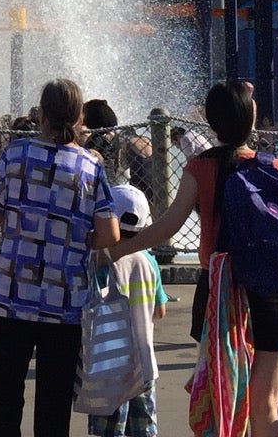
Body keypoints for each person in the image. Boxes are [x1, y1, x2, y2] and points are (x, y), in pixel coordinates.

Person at [112, 80, 278, 437]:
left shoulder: (200, 168)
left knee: (223, 390)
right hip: (272, 295)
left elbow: (168, 226)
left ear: (212, 124)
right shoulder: (276, 167)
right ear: (252, 119)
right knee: (267, 403)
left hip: (218, 294)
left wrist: (117, 250)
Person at [0, 76, 119, 437]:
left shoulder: (14, 156)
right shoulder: (90, 167)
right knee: (54, 408)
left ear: (42, 115)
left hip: (10, 296)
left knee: (4, 401)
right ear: (78, 117)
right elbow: (110, 234)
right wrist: (75, 235)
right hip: (64, 304)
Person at [85, 183, 166, 437]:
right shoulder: (149, 261)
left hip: (109, 364)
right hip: (144, 364)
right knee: (143, 429)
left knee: (109, 431)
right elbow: (160, 310)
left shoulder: (101, 260)